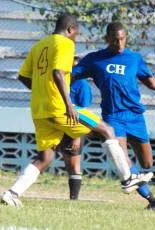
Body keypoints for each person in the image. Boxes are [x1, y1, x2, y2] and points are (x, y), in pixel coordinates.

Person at [1, 14, 153, 206]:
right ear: (70, 29)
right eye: (77, 33)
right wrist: (69, 105)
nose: (76, 37)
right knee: (107, 130)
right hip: (59, 108)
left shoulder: (39, 46)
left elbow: (23, 76)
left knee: (45, 156)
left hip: (40, 109)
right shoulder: (65, 44)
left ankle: (12, 193)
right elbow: (58, 73)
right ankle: (127, 178)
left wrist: (42, 90)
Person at [71, 22, 155, 211]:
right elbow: (69, 75)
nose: (120, 44)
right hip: (114, 117)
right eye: (115, 40)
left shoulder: (134, 58)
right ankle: (153, 201)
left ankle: (141, 183)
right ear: (107, 39)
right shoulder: (94, 60)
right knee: (123, 159)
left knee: (147, 163)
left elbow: (152, 82)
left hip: (135, 117)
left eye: (123, 39)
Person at [62, 56, 93, 200]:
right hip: (60, 124)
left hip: (75, 127)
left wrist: (76, 136)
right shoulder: (62, 82)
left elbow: (83, 112)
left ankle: (74, 198)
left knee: (74, 163)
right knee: (67, 161)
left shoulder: (82, 85)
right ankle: (71, 194)